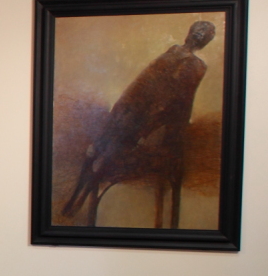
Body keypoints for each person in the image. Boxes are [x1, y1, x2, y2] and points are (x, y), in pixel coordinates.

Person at [62, 20, 215, 228]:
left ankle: (83, 195)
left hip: (152, 124)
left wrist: (144, 131)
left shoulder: (196, 66)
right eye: (197, 31)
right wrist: (121, 114)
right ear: (190, 34)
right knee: (96, 149)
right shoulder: (173, 52)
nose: (198, 35)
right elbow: (141, 85)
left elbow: (174, 104)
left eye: (203, 34)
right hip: (135, 114)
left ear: (204, 41)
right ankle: (77, 198)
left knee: (105, 154)